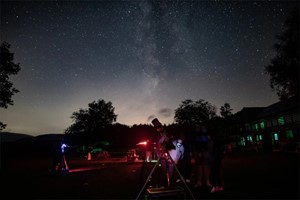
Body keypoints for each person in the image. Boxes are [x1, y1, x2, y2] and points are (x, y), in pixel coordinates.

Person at [192, 124, 213, 189]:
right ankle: (199, 182)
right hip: (198, 154)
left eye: (204, 128)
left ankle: (207, 181)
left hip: (206, 153)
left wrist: (206, 151)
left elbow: (209, 144)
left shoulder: (207, 135)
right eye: (197, 127)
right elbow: (195, 145)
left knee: (206, 167)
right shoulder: (196, 135)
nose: (198, 128)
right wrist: (197, 153)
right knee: (199, 168)